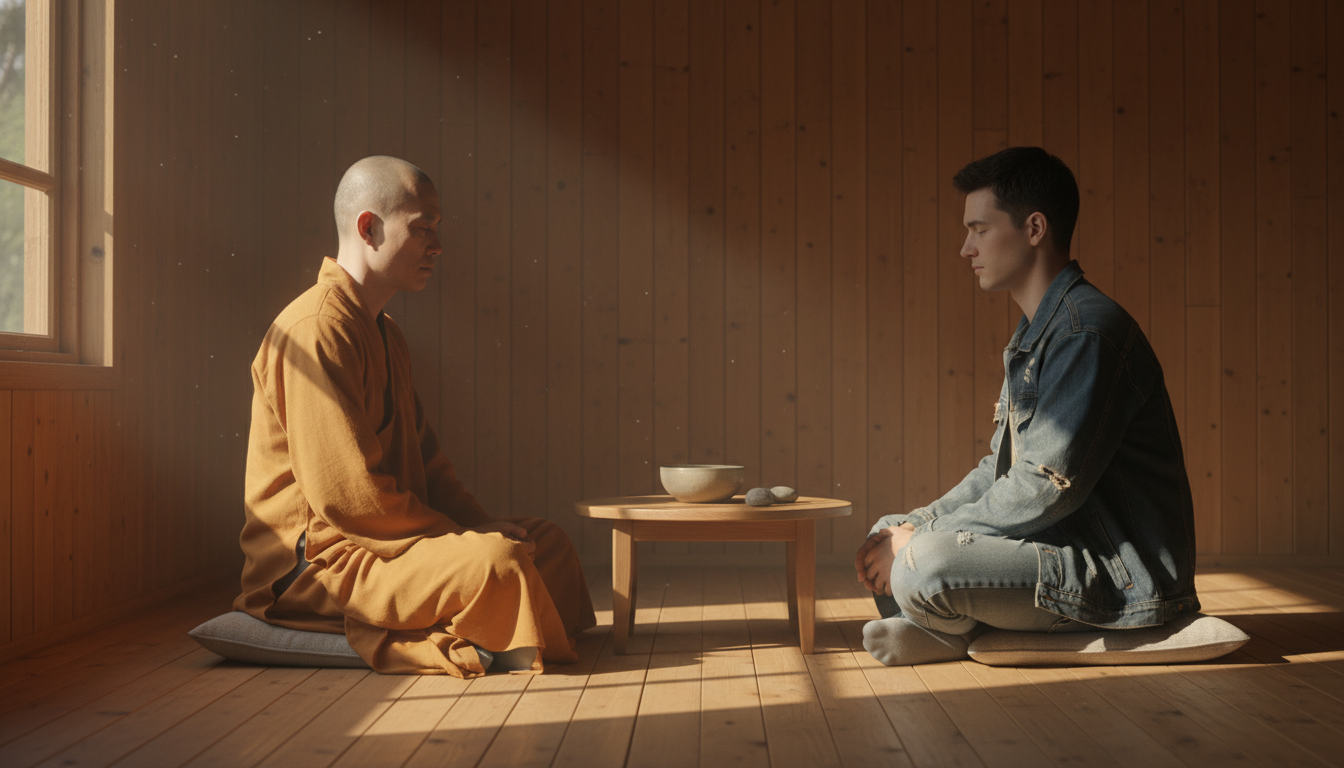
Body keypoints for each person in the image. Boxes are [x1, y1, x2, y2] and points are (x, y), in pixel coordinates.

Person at [234, 156, 595, 676]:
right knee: (499, 561)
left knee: (545, 543)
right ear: (368, 227)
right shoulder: (314, 329)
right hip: (323, 562)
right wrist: (464, 539)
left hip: (389, 540)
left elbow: (429, 463)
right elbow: (347, 499)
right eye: (423, 229)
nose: (437, 246)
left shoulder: (385, 332)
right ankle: (490, 639)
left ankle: (498, 629)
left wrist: (479, 524)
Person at [855, 147, 1199, 665]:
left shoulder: (1088, 333)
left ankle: (945, 628)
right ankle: (944, 628)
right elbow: (1000, 473)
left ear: (1034, 228)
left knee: (923, 558)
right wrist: (913, 523)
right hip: (1058, 545)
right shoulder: (1037, 337)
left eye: (979, 229)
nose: (966, 248)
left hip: (1116, 574)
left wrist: (921, 537)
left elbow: (1043, 486)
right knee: (886, 529)